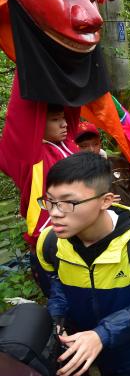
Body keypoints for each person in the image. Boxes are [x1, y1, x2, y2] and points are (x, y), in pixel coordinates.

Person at [36, 152, 130, 376]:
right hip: (79, 348)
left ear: (106, 200)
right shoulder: (49, 243)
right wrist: (57, 318)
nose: (55, 213)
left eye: (69, 202)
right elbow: (57, 286)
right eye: (50, 201)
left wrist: (103, 334)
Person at [0, 73, 79, 295]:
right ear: (37, 125)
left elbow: (73, 100)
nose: (64, 124)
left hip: (83, 235)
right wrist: (30, 61)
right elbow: (20, 115)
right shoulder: (30, 156)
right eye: (55, 120)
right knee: (64, 306)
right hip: (52, 241)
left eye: (63, 118)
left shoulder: (69, 145)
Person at [75, 121, 130, 218]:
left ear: (100, 143)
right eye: (84, 146)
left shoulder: (119, 163)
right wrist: (99, 203)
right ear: (75, 146)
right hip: (99, 226)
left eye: (95, 144)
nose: (91, 150)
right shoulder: (74, 173)